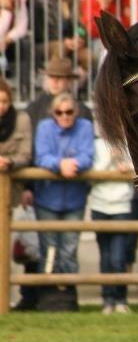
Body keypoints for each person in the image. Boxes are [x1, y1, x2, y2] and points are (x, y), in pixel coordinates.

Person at [32, 91, 94, 281]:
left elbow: (88, 156)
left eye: (69, 112)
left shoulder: (85, 126)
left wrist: (73, 164)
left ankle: (67, 291)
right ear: (53, 113)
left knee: (69, 248)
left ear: (75, 112)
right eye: (59, 112)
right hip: (47, 198)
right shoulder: (44, 127)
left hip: (75, 199)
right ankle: (48, 292)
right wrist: (60, 164)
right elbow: (41, 156)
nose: (65, 116)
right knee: (49, 248)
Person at [0, 77, 36, 311]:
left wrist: (9, 161)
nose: (1, 105)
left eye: (4, 101)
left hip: (12, 192)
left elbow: (26, 154)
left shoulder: (21, 119)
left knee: (12, 248)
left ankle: (12, 298)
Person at [89, 135, 134, 313]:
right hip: (99, 205)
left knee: (119, 257)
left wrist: (126, 167)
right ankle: (107, 300)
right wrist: (110, 160)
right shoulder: (96, 144)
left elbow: (137, 169)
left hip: (121, 205)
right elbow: (91, 176)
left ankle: (121, 299)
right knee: (105, 256)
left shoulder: (127, 143)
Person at [35, 0, 91, 68]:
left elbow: (80, 25)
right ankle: (55, 81)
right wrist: (65, 41)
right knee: (61, 48)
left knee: (89, 57)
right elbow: (46, 31)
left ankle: (84, 83)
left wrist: (79, 37)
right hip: (46, 43)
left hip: (70, 44)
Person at [25, 54, 92, 131]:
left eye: (59, 77)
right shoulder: (34, 107)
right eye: (51, 76)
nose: (55, 81)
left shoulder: (82, 110)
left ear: (69, 81)